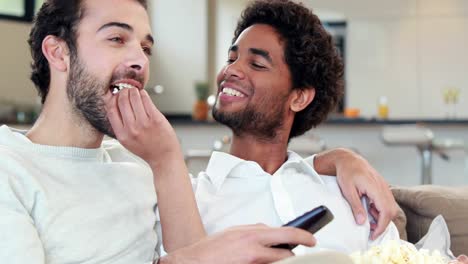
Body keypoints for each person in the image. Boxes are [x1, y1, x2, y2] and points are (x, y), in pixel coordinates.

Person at [0, 0, 396, 263]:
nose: (139, 60)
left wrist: (338, 159)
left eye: (146, 48)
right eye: (118, 39)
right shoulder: (10, 168)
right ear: (59, 52)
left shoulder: (140, 173)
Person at [192, 0, 467, 261]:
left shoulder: (347, 194)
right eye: (231, 58)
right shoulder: (191, 199)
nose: (231, 70)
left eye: (257, 64)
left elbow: (396, 258)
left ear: (298, 98)